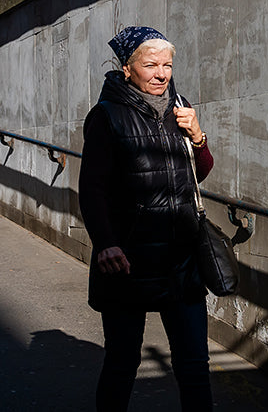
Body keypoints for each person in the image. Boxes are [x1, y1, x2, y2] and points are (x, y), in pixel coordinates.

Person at [79, 25, 215, 412]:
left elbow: (199, 173)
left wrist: (198, 136)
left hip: (181, 259)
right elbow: (92, 189)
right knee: (123, 362)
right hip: (127, 260)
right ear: (127, 68)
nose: (161, 74)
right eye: (151, 65)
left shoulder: (180, 107)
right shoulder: (107, 116)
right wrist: (106, 244)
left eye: (167, 65)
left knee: (194, 364)